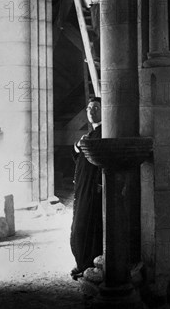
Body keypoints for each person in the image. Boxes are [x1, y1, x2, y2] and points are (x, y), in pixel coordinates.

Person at [70, 97, 103, 280]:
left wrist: (98, 185)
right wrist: (77, 147)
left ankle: (88, 265)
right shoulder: (91, 134)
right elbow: (81, 160)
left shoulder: (103, 133)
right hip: (83, 188)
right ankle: (82, 263)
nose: (91, 111)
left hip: (92, 189)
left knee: (86, 227)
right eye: (89, 108)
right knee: (78, 226)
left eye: (96, 108)